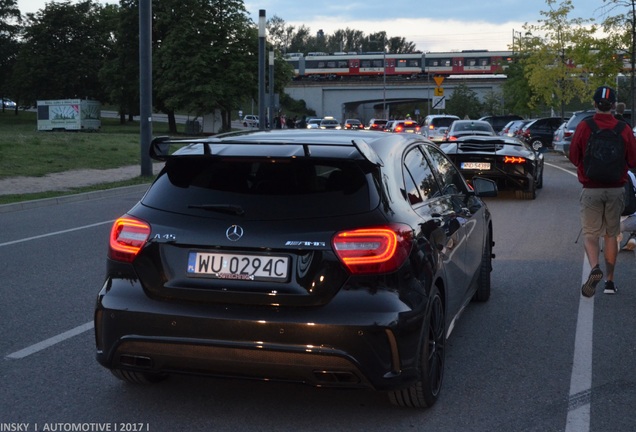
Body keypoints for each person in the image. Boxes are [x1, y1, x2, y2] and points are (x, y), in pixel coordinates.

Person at [569, 85, 636, 297]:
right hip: (616, 189)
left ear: (595, 104)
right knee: (611, 234)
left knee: (590, 234)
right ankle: (609, 282)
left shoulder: (584, 126)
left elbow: (573, 154)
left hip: (591, 188)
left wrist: (586, 168)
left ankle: (595, 268)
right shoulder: (624, 128)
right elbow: (633, 159)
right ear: (614, 105)